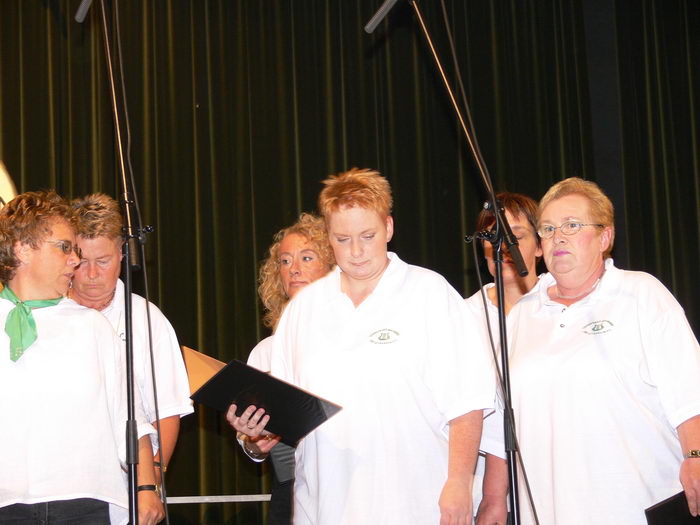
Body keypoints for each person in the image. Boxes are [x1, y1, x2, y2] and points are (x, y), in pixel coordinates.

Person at [231, 168, 495, 525]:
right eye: (342, 239)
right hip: (324, 508)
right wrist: (256, 431)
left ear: (388, 227)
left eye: (367, 236)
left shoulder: (430, 293)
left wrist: (460, 482)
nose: (356, 252)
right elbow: (286, 411)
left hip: (419, 505)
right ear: (328, 237)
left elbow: (466, 403)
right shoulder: (304, 310)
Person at [502, 177, 700, 523]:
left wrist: (697, 456)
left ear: (605, 237)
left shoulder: (640, 294)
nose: (558, 236)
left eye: (572, 225)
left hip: (637, 506)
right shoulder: (520, 316)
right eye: (547, 229)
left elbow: (690, 393)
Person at [0, 190, 161, 525]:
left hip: (83, 502)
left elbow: (128, 417)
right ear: (22, 249)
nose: (74, 260)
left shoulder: (92, 327)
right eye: (64, 248)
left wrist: (146, 486)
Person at [70, 193, 194, 488]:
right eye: (81, 261)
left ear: (123, 252)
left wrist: (150, 483)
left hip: (129, 488)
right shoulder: (47, 314)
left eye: (102, 261)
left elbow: (166, 411)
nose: (91, 274)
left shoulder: (147, 319)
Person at [230, 212, 334, 525]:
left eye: (306, 257)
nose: (294, 269)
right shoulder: (266, 351)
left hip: (352, 481)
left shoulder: (352, 337)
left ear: (331, 266)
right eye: (285, 261)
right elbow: (252, 446)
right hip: (290, 490)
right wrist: (253, 442)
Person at [463, 192, 542, 525]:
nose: (503, 247)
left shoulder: (562, 304)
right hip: (491, 499)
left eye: (516, 236)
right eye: (491, 237)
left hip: (558, 484)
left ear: (540, 244)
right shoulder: (462, 317)